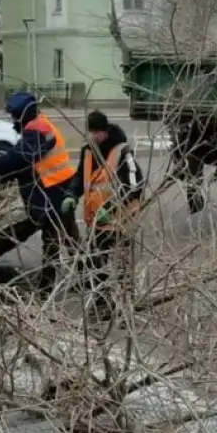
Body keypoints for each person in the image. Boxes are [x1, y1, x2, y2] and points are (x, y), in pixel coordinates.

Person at [0, 92, 79, 296]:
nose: (12, 120)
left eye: (14, 115)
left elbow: (20, 158)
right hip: (58, 190)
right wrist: (0, 176)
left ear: (23, 114)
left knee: (53, 239)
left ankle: (47, 288)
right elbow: (26, 163)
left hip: (53, 193)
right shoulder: (39, 125)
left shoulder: (37, 130)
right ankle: (82, 276)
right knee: (67, 238)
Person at [63, 110, 144, 321]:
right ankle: (102, 304)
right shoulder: (88, 152)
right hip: (97, 222)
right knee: (95, 264)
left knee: (121, 265)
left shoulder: (122, 152)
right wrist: (71, 194)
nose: (94, 136)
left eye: (97, 132)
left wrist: (111, 207)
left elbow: (135, 185)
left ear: (105, 131)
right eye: (91, 132)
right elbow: (80, 177)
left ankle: (126, 308)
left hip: (119, 220)